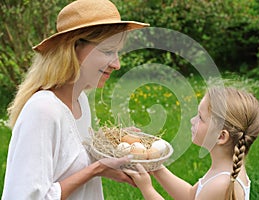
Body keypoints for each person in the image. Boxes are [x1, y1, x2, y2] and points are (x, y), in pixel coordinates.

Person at [2, 0, 149, 199]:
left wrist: (111, 144)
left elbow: (69, 162)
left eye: (118, 52)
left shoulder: (80, 101)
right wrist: (96, 169)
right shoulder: (43, 110)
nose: (117, 64)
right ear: (74, 48)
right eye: (107, 51)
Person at [125, 87, 259, 200]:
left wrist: (147, 189)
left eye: (200, 118)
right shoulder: (224, 171)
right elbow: (191, 196)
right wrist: (156, 167)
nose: (192, 120)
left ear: (220, 136)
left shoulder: (220, 184)